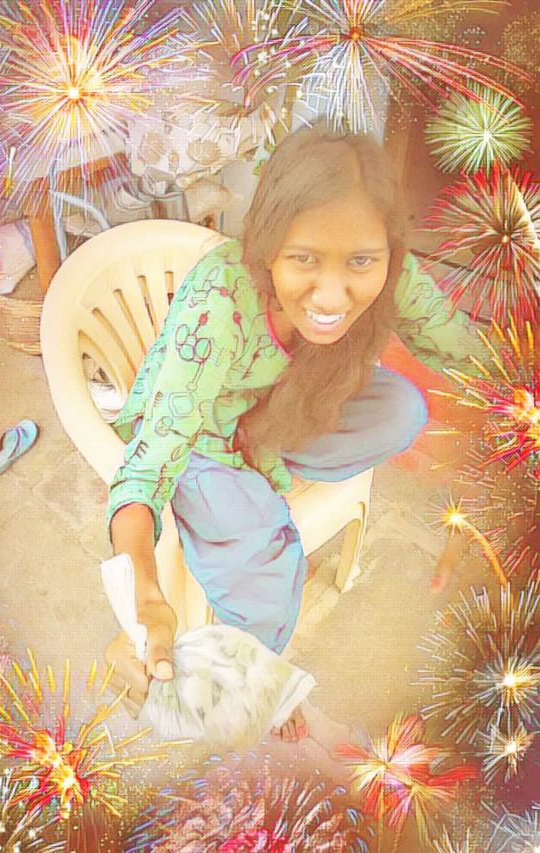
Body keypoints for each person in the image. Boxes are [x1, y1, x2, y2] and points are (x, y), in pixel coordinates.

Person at [106, 125, 490, 743]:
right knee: (268, 568)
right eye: (304, 258)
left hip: (278, 411)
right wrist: (145, 595)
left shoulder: (393, 274)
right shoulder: (219, 304)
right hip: (201, 438)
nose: (333, 295)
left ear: (387, 251)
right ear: (266, 249)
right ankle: (259, 680)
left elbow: (471, 356)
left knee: (401, 409)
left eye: (360, 261)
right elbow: (145, 470)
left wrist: (515, 428)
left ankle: (263, 475)